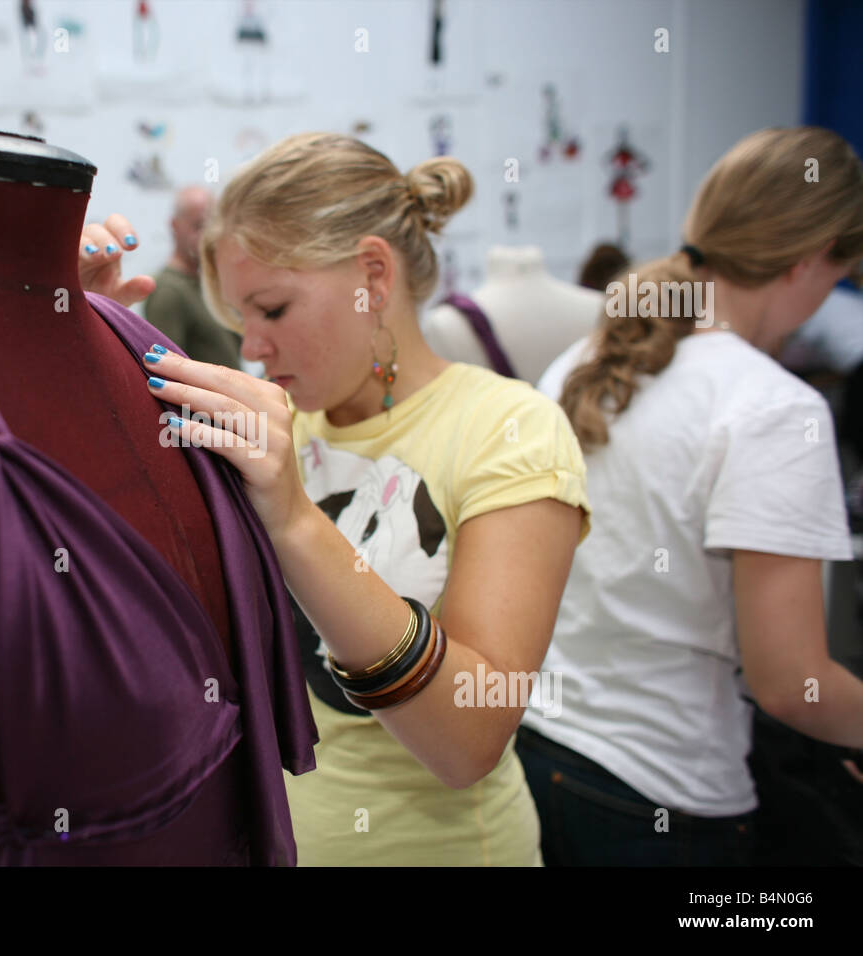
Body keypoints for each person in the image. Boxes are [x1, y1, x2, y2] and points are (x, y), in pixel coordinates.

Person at [80, 131, 591, 865]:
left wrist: (294, 521)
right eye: (238, 321)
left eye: (274, 310)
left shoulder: (509, 428)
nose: (253, 348)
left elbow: (469, 740)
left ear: (373, 277)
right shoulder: (278, 430)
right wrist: (89, 353)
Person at [515, 126, 863, 866]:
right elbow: (793, 684)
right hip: (663, 797)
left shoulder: (580, 365)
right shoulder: (774, 409)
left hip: (537, 759)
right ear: (812, 261)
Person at [142, 185, 243, 368]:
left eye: (212, 226)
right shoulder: (168, 291)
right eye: (198, 226)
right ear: (175, 225)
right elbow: (165, 370)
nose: (206, 236)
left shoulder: (209, 285)